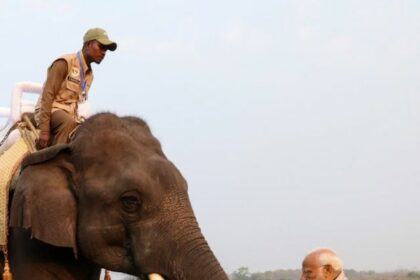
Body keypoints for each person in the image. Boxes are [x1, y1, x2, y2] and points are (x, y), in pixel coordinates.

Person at [35, 27, 117, 149]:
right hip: (51, 110)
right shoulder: (64, 63)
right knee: (68, 123)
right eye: (101, 47)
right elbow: (48, 96)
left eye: (106, 49)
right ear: (89, 44)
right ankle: (55, 160)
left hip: (71, 115)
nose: (104, 52)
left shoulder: (89, 75)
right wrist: (44, 131)